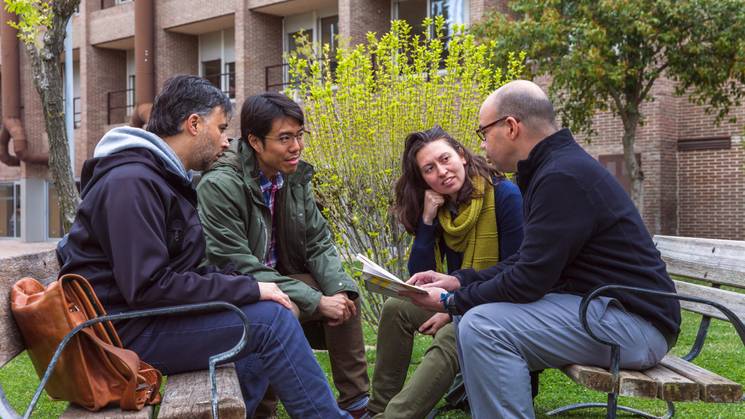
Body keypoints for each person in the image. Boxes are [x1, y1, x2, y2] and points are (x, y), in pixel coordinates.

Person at [56, 75, 350, 418]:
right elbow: (149, 286)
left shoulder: (158, 178)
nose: (226, 142)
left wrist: (246, 288)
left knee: (261, 315)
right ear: (194, 124)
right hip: (117, 335)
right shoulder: (131, 183)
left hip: (143, 320)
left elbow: (182, 272)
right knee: (270, 321)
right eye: (221, 128)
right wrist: (249, 288)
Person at [404, 80, 681, 418]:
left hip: (635, 324)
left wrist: (451, 302)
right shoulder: (551, 170)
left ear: (510, 127)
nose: (482, 144)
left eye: (483, 132)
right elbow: (528, 261)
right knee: (474, 321)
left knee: (481, 325)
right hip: (601, 308)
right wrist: (460, 281)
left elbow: (529, 280)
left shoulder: (562, 176)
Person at [197, 92, 369, 417]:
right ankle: (262, 411)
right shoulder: (220, 185)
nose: (296, 147)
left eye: (299, 136)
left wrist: (336, 290)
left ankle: (358, 406)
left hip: (283, 282)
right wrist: (315, 300)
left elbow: (318, 241)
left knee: (346, 297)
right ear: (255, 142)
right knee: (282, 313)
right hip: (240, 293)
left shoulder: (292, 176)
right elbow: (236, 266)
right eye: (285, 138)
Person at [367, 126, 525, 419]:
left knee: (455, 333)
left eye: (445, 159)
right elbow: (420, 276)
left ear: (462, 156)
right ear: (423, 179)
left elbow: (516, 270)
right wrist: (427, 220)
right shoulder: (443, 209)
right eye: (429, 168)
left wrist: (454, 308)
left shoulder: (505, 196)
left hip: (501, 305)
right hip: (461, 298)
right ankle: (377, 409)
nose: (441, 171)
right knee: (396, 308)